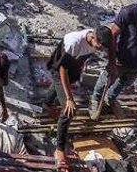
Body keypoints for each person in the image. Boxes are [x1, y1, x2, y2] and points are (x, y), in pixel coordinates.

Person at [46, 27, 112, 167]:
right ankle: (59, 149)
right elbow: (62, 70)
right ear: (93, 36)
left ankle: (46, 104)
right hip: (60, 69)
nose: (100, 48)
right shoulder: (74, 43)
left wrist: (80, 67)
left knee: (64, 86)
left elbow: (86, 54)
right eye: (99, 45)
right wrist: (69, 99)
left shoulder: (96, 41)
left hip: (73, 67)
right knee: (69, 111)